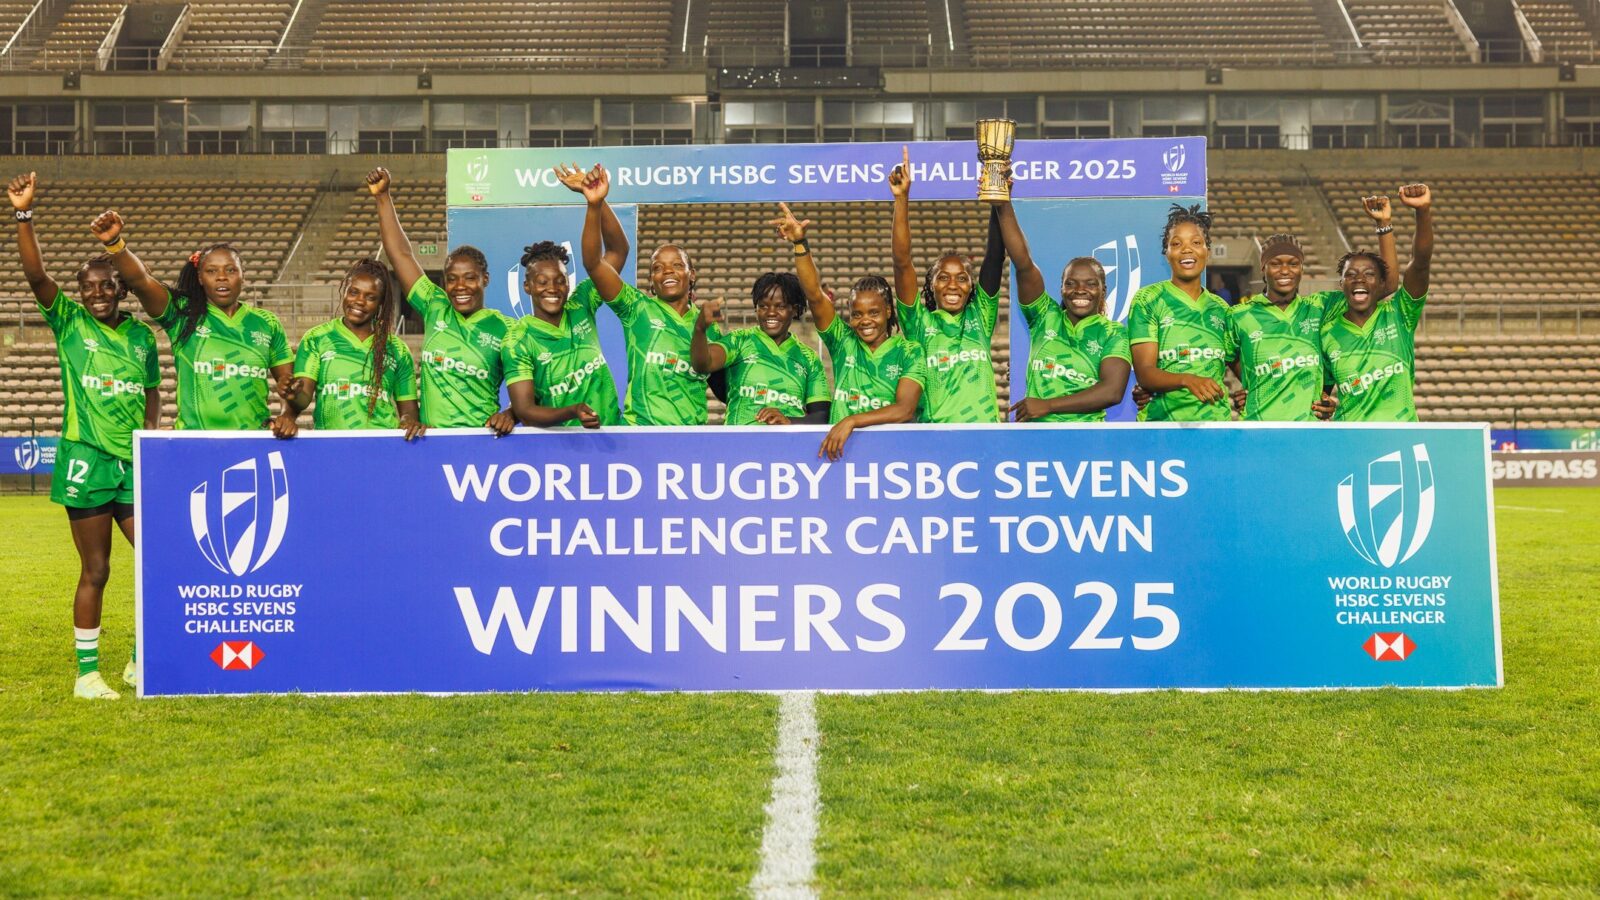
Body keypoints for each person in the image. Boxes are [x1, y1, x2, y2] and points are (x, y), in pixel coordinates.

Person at [10, 172, 158, 699]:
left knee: (157, 557)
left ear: (120, 289)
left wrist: (151, 439)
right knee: (97, 569)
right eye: (88, 287)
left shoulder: (141, 335)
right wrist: (24, 214)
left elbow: (152, 392)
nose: (97, 293)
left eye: (106, 286)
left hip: (132, 462)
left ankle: (140, 662)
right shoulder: (68, 321)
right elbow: (34, 274)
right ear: (79, 294)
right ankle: (87, 675)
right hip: (86, 458)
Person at [90, 215, 291, 431]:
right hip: (193, 443)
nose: (222, 277)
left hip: (251, 441)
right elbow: (141, 282)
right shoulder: (181, 313)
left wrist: (287, 415)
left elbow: (290, 388)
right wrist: (115, 244)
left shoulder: (267, 323)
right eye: (211, 271)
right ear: (200, 277)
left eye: (231, 270)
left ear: (243, 276)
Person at [366, 167, 515, 435]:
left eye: (470, 278)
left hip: (482, 440)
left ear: (486, 279)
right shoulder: (435, 306)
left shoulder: (507, 330)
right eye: (452, 279)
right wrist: (383, 197)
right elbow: (400, 254)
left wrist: (510, 414)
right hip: (431, 440)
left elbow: (535, 384)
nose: (460, 287)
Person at [1227, 197, 1398, 421]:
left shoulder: (1320, 307)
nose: (1285, 270)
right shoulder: (1240, 314)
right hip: (1258, 429)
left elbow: (1387, 286)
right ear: (1263, 268)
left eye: (1293, 263)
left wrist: (1383, 225)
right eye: (1276, 263)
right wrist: (1252, 384)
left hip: (1309, 431)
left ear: (1302, 269)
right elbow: (1227, 356)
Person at [779, 203, 924, 459]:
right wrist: (800, 245)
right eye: (857, 314)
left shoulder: (909, 350)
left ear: (888, 311)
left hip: (892, 457)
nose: (864, 321)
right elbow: (814, 295)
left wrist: (851, 420)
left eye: (874, 313)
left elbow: (904, 409)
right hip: (842, 456)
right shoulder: (842, 340)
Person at [576, 163, 710, 425]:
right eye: (658, 268)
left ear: (691, 274)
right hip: (638, 435)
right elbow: (593, 263)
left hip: (691, 439)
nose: (667, 272)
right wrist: (595, 204)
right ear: (651, 280)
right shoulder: (635, 307)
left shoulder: (706, 326)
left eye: (677, 265)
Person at [890, 145, 1005, 423]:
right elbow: (902, 262)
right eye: (943, 277)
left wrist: (997, 192)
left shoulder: (981, 315)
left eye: (962, 278)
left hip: (986, 439)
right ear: (930, 286)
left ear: (971, 287)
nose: (953, 285)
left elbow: (994, 257)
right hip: (934, 441)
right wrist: (902, 199)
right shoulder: (919, 323)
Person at [995, 197, 1132, 422]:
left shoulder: (1114, 333)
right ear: (1061, 288)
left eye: (1090, 283)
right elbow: (1023, 263)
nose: (1080, 290)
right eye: (1071, 283)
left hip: (1087, 439)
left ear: (1102, 290)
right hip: (1037, 437)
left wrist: (1048, 405)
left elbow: (1112, 391)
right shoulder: (1043, 316)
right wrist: (1003, 202)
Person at [690, 217, 829, 426]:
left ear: (794, 310)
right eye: (763, 306)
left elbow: (821, 417)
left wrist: (788, 420)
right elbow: (703, 364)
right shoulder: (740, 340)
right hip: (737, 448)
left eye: (780, 306)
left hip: (787, 452)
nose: (770, 313)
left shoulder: (808, 358)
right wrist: (700, 329)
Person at [270, 259, 424, 438]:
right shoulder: (316, 338)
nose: (359, 301)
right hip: (331, 445)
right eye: (354, 292)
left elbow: (408, 410)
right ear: (344, 292)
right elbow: (303, 399)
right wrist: (293, 393)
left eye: (370, 297)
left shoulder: (397, 349)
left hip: (381, 444)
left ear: (380, 303)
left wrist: (408, 421)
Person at [1322, 184, 1434, 422]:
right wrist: (1323, 403)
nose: (1359, 279)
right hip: (1350, 440)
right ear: (1341, 285)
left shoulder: (1399, 314)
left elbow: (1421, 263)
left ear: (1383, 284)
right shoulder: (1327, 333)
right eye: (1350, 275)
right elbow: (1321, 392)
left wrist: (1422, 212)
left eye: (1369, 274)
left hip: (1398, 436)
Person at [1128, 204, 1233, 422]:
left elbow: (1249, 370)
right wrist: (1187, 379)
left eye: (1196, 243)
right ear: (1166, 253)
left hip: (1215, 425)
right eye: (1176, 244)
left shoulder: (1222, 309)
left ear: (1207, 250)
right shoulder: (1148, 299)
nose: (1187, 249)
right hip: (1162, 425)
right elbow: (1145, 373)